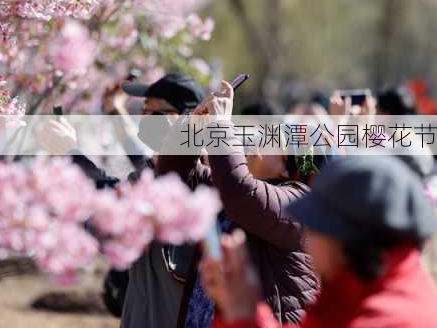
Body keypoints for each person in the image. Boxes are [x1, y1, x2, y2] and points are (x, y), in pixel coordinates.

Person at [38, 72, 205, 323]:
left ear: (184, 119)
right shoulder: (159, 171)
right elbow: (137, 159)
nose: (143, 120)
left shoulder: (190, 183)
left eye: (153, 114)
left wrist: (70, 153)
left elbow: (114, 206)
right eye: (143, 111)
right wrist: (114, 113)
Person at [156, 81, 323, 326]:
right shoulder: (226, 186)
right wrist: (193, 126)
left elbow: (239, 191)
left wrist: (221, 124)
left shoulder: (299, 204)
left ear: (288, 165)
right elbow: (173, 179)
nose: (257, 139)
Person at [201, 156, 437, 328]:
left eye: (315, 226)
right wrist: (246, 312)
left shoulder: (390, 318)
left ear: (346, 238)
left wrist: (244, 317)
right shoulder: (354, 288)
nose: (309, 239)